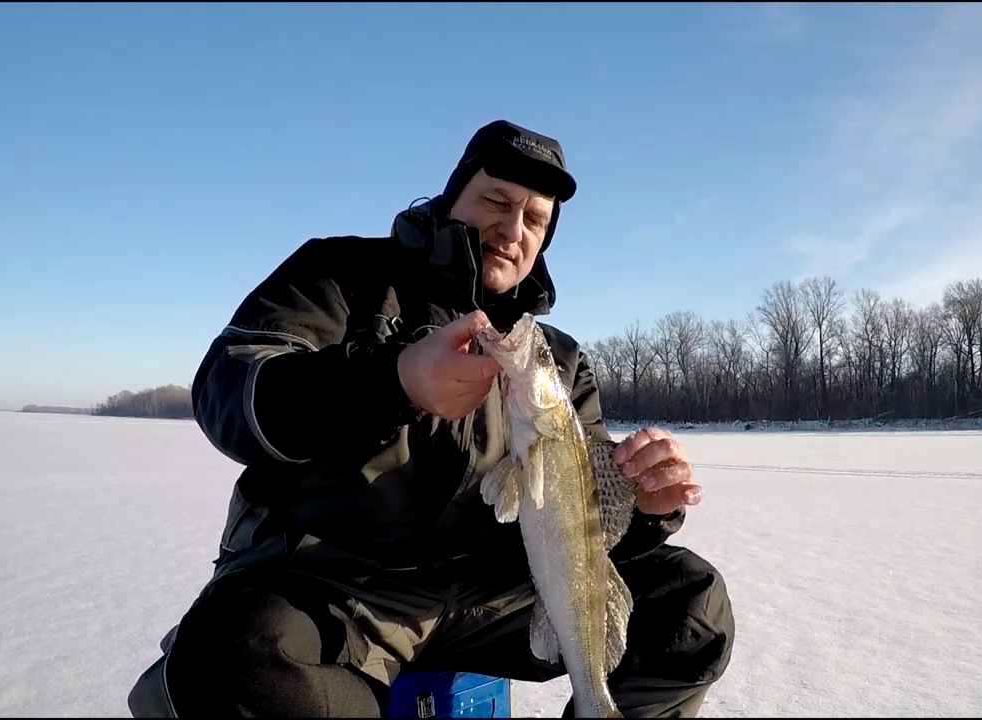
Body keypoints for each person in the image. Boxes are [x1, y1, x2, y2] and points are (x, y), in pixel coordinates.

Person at [128, 119, 735, 718]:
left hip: (492, 595)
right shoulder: (340, 276)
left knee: (690, 605)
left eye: (535, 221)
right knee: (239, 659)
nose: (512, 229)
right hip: (332, 587)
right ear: (452, 199)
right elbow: (229, 393)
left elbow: (576, 525)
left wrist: (650, 507)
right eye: (495, 200)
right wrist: (392, 379)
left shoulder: (559, 359)